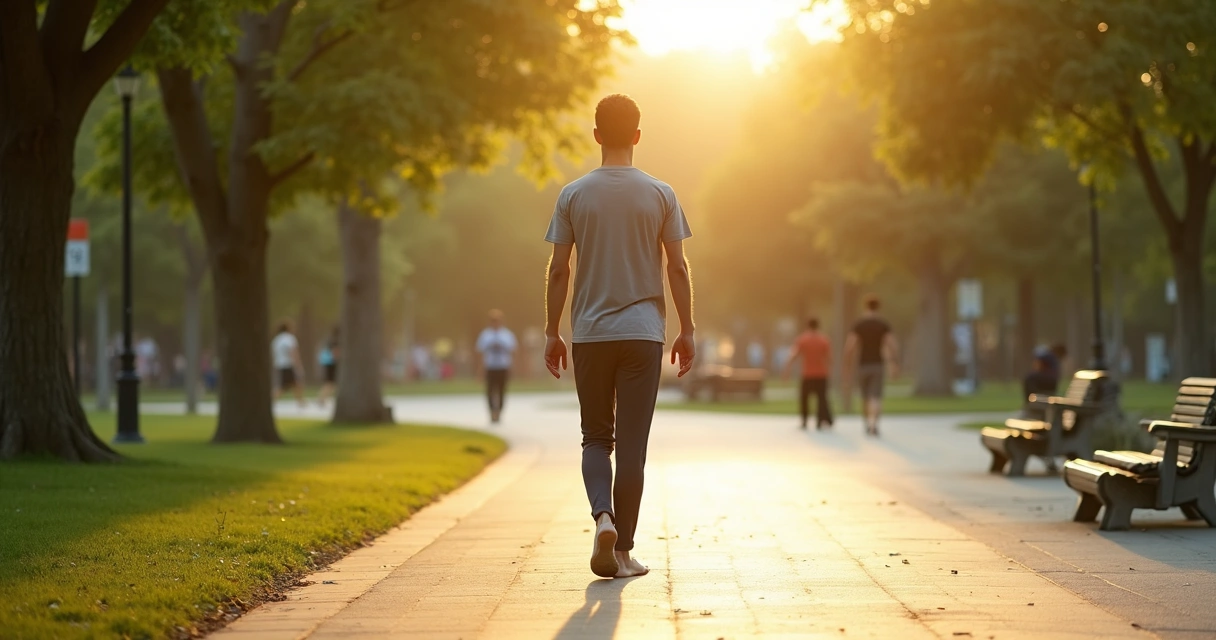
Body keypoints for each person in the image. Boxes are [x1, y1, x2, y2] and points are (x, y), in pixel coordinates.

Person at [543, 94, 695, 579]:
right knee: (632, 447)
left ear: (595, 135)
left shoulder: (573, 195)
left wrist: (552, 331)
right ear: (636, 136)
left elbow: (558, 272)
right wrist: (687, 329)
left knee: (595, 438)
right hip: (643, 335)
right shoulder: (660, 193)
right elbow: (677, 267)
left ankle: (602, 516)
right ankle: (624, 552)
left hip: (589, 334)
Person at [844, 295, 899, 436]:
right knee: (876, 396)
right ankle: (875, 425)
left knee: (865, 397)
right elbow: (892, 345)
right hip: (878, 364)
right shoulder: (883, 325)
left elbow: (850, 346)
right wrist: (894, 363)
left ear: (865, 306)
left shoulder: (859, 325)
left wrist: (847, 365)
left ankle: (867, 423)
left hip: (863, 364)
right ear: (878, 307)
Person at [783, 318, 833, 430]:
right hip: (821, 374)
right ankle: (820, 420)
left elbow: (794, 355)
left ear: (807, 326)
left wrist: (787, 369)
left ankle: (804, 420)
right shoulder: (823, 340)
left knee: (804, 398)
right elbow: (829, 358)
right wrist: (830, 371)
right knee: (822, 398)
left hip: (807, 374)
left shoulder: (803, 339)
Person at [476, 310, 518, 423]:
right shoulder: (486, 335)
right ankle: (492, 411)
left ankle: (498, 411)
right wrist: (480, 368)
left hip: (503, 366)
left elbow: (513, 351)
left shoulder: (507, 335)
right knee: (490, 390)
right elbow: (480, 352)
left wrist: (513, 366)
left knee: (501, 390)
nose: (495, 323)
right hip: (490, 366)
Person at [271, 321, 305, 408]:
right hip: (289, 364)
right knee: (284, 386)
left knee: (295, 384)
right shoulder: (290, 338)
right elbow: (293, 352)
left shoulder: (276, 340)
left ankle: (300, 402)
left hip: (280, 365)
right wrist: (298, 364)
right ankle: (270, 400)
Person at [317, 327, 340, 407]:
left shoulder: (330, 339)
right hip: (332, 363)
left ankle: (323, 399)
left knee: (332, 384)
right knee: (329, 383)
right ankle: (321, 399)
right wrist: (338, 361)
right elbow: (335, 352)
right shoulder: (336, 340)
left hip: (328, 363)